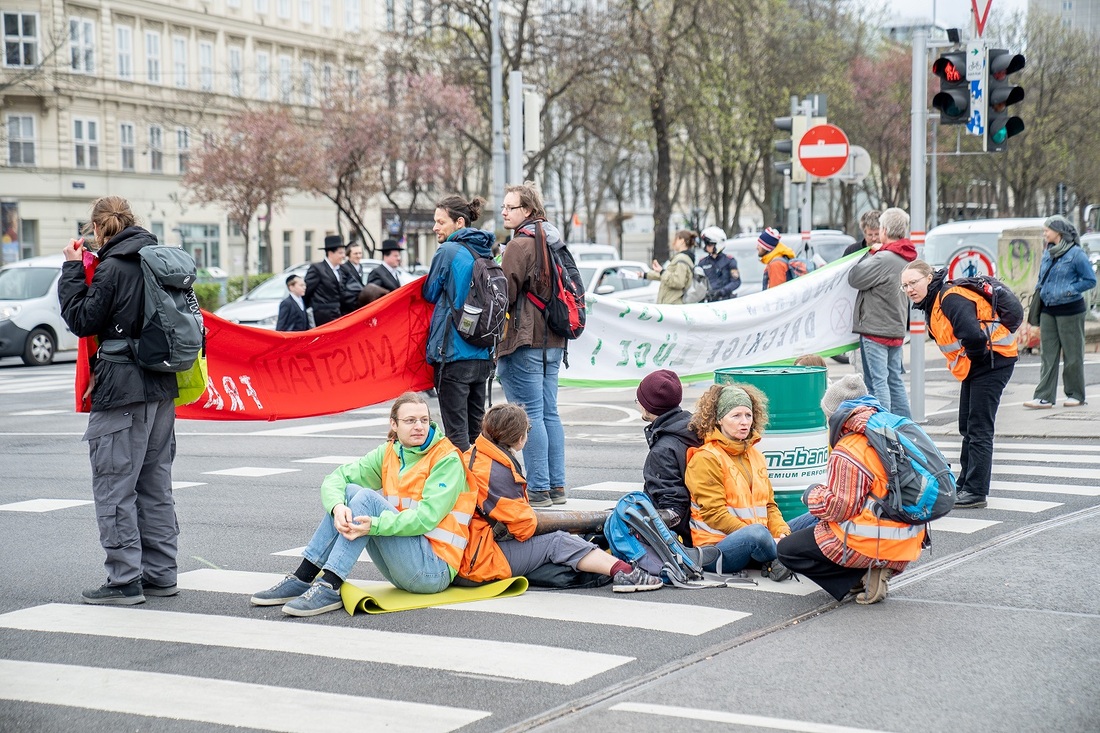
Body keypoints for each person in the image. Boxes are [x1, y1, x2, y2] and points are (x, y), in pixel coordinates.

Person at [57, 196, 180, 605]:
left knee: (115, 486)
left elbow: (82, 320)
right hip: (161, 387)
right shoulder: (158, 259)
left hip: (122, 388)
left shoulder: (112, 267)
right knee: (154, 484)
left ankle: (125, 579)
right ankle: (161, 573)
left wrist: (73, 269)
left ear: (96, 228)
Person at [250, 392, 475, 617]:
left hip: (433, 570)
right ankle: (303, 577)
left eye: (424, 420)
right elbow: (336, 478)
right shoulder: (390, 452)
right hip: (404, 564)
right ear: (394, 424)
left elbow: (426, 519)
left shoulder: (447, 459)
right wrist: (337, 507)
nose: (419, 426)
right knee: (347, 493)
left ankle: (331, 584)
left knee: (366, 499)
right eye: (410, 421)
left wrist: (374, 525)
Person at [460, 403, 662, 592]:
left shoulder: (476, 456)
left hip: (465, 551)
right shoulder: (497, 472)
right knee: (557, 541)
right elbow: (523, 528)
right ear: (520, 438)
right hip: (477, 560)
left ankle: (615, 566)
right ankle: (625, 572)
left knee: (558, 539)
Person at [777, 374, 925, 605]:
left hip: (873, 541)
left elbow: (840, 509)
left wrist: (813, 495)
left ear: (835, 415)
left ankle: (862, 573)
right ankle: (865, 574)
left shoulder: (850, 447)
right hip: (908, 538)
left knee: (788, 550)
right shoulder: (891, 431)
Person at [903, 260, 1016, 509]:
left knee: (979, 427)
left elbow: (973, 335)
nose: (910, 289)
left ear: (929, 278)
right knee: (967, 424)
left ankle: (976, 492)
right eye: (905, 286)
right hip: (981, 363)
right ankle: (965, 484)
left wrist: (976, 361)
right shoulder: (934, 304)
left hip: (992, 361)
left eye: (914, 282)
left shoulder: (949, 298)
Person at [685, 384, 813, 580]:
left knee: (817, 516)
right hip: (720, 547)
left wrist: (783, 533)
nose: (744, 422)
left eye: (748, 415)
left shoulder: (755, 455)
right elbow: (714, 515)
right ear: (719, 419)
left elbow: (769, 506)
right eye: (735, 416)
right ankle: (785, 556)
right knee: (757, 534)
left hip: (761, 539)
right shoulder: (706, 458)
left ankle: (781, 554)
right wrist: (767, 537)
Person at [497, 182, 568, 508]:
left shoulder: (520, 246)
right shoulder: (553, 240)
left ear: (527, 210)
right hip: (554, 339)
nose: (504, 212)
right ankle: (556, 486)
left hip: (525, 340)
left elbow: (504, 296)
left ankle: (538, 489)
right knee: (550, 414)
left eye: (510, 207)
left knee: (531, 416)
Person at [423, 194, 496, 452]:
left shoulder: (448, 251)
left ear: (459, 222)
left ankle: (464, 489)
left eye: (440, 222)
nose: (435, 227)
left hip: (453, 354)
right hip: (482, 353)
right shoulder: (485, 251)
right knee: (477, 433)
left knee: (456, 436)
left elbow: (429, 293)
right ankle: (481, 486)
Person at [847, 207, 916, 417]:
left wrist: (872, 254)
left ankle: (883, 427)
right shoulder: (908, 257)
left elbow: (855, 278)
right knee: (894, 380)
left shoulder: (883, 258)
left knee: (878, 383)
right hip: (896, 328)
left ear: (884, 230)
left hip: (876, 329)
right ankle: (905, 426)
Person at [1023, 215, 1096, 409]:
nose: (1045, 232)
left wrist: (1069, 289)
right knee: (1047, 354)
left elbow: (1090, 280)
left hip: (1071, 310)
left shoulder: (1076, 254)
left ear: (1059, 232)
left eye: (1048, 229)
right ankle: (1044, 396)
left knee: (1073, 355)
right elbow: (1041, 277)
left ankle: (1076, 394)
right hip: (1048, 309)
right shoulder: (1048, 252)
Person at [636, 369, 702, 545]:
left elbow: (673, 509)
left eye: (639, 400)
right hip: (704, 525)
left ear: (648, 406)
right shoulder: (694, 429)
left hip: (687, 539)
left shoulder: (663, 450)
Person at [645, 230, 697, 305]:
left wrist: (662, 271)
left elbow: (678, 281)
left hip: (673, 305)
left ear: (681, 240)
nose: (673, 242)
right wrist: (644, 275)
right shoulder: (683, 258)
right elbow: (669, 276)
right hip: (672, 304)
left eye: (675, 239)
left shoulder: (682, 259)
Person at [304, 234, 345, 326]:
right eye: (340, 253)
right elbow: (306, 291)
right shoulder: (317, 269)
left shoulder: (340, 270)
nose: (343, 256)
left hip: (337, 315)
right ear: (330, 253)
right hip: (322, 316)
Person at [697, 226, 740, 301]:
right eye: (706, 244)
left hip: (726, 300)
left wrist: (721, 292)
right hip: (709, 301)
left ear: (718, 244)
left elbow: (736, 281)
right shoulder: (702, 262)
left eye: (709, 244)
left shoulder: (729, 261)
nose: (707, 247)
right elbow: (698, 283)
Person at [338, 240, 365, 314]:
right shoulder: (344, 268)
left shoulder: (361, 267)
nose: (358, 256)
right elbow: (342, 289)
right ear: (348, 255)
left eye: (360, 253)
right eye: (355, 254)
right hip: (349, 308)